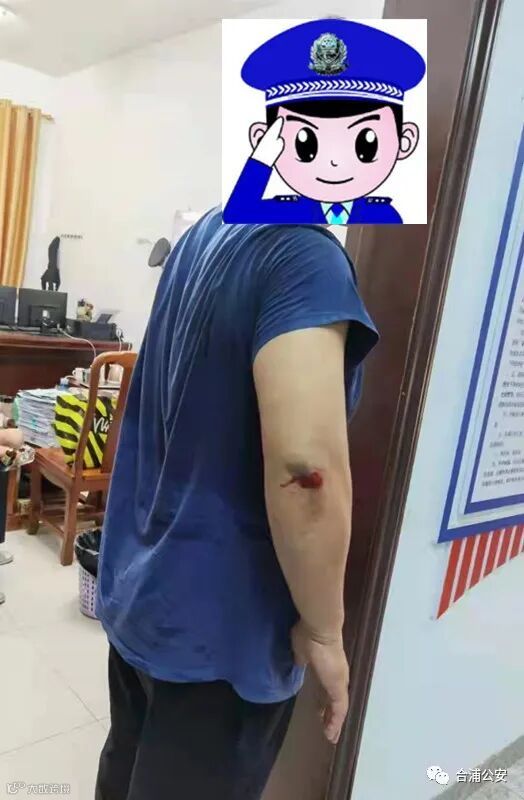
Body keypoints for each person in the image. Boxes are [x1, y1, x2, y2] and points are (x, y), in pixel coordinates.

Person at [95, 207, 378, 799]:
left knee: (127, 772)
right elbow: (305, 471)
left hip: (146, 591)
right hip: (223, 634)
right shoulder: (305, 258)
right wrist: (325, 632)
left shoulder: (208, 231)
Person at [223, 17, 426, 224]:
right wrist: (260, 160)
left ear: (405, 141)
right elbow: (237, 214)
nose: (334, 162)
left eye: (366, 146)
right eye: (306, 147)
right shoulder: (287, 212)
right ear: (261, 139)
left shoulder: (382, 215)